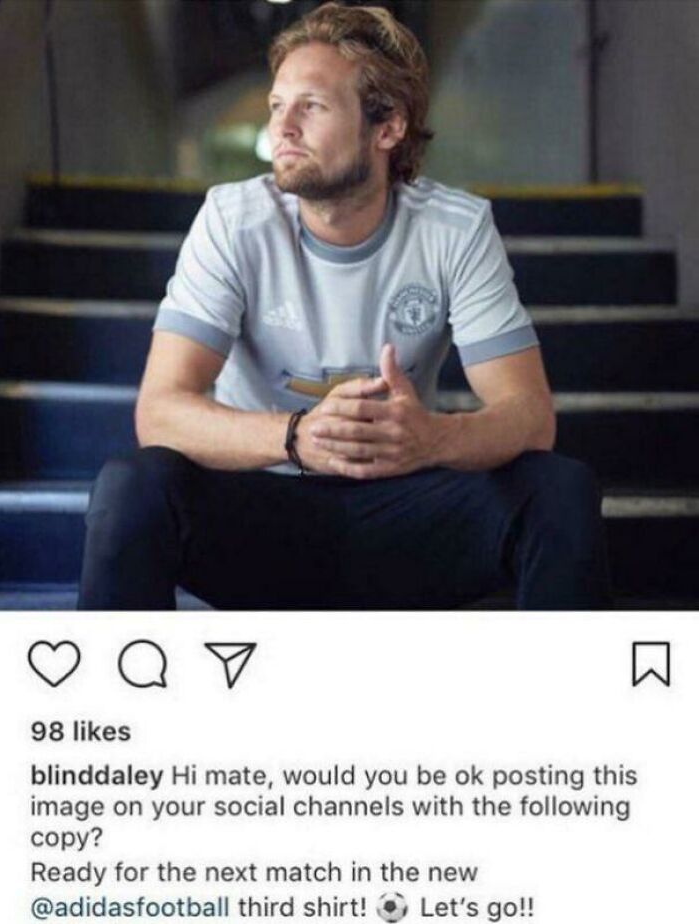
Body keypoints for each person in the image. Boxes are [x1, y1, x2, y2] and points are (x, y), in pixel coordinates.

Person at [78, 1, 611, 610]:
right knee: (131, 488)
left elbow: (529, 417)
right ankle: (114, 700)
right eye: (279, 105)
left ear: (387, 128)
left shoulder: (455, 229)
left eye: (312, 106)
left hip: (402, 517)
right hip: (263, 516)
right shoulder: (232, 220)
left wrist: (430, 440)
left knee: (560, 489)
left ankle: (573, 697)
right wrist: (295, 438)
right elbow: (160, 411)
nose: (282, 126)